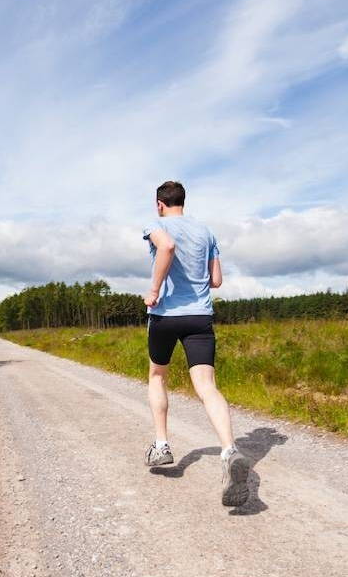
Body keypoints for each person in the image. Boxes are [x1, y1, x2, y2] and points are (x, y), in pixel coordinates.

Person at [141, 180, 245, 506]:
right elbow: (216, 280)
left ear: (160, 204)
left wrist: (154, 290)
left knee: (158, 375)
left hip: (165, 315)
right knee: (207, 386)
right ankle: (229, 450)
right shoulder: (206, 232)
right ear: (183, 201)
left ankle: (161, 445)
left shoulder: (155, 225)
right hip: (200, 317)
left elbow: (167, 246)